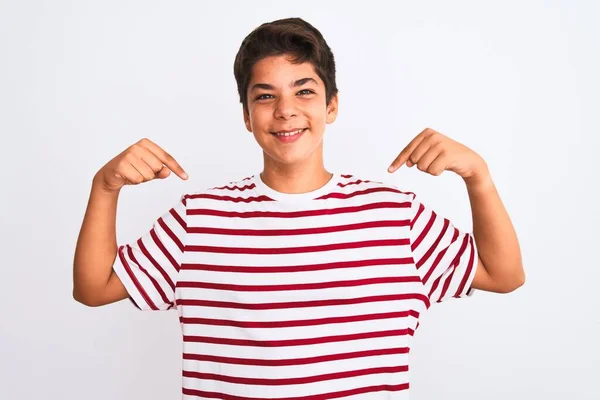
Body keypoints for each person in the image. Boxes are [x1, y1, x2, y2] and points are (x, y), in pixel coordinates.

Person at [73, 17, 525, 399]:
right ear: (247, 116)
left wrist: (478, 177)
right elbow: (94, 288)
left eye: (304, 91)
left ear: (331, 105)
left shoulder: (394, 215)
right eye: (265, 96)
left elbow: (504, 275)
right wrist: (104, 187)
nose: (285, 110)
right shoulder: (200, 218)